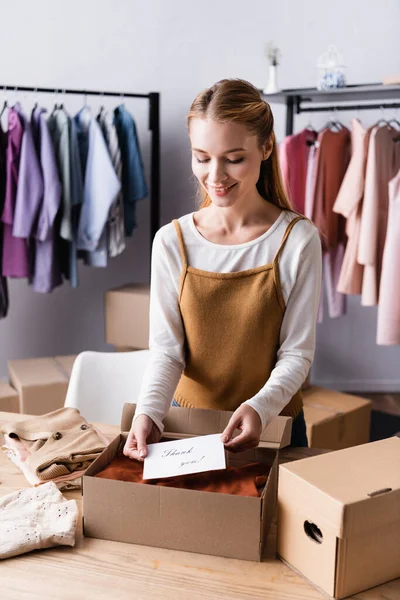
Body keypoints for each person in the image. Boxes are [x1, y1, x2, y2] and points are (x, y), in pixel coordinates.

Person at [123, 78, 322, 461]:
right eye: (202, 157)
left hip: (275, 425)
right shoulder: (171, 241)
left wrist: (260, 408)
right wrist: (149, 411)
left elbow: (297, 354)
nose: (215, 176)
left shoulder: (298, 240)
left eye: (233, 159)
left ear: (265, 148)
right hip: (187, 431)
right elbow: (166, 352)